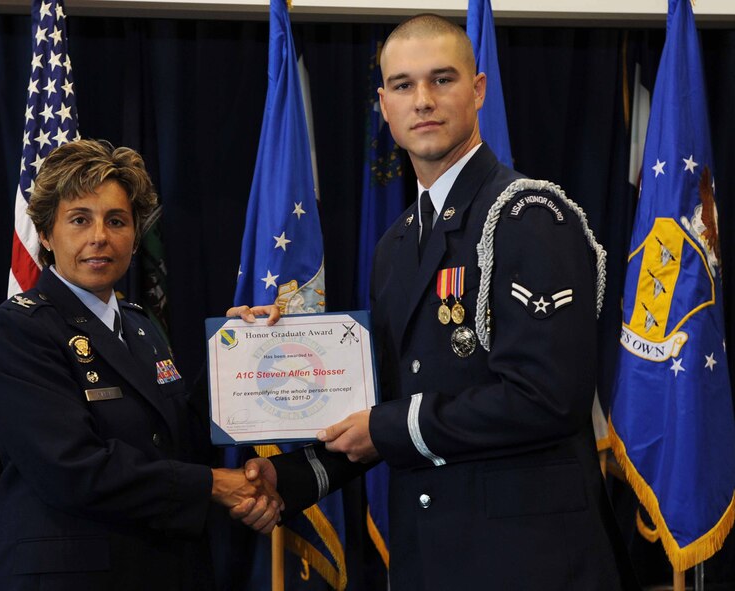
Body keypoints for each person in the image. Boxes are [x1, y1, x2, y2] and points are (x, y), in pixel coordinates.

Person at [241, 14, 640, 590]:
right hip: (430, 558)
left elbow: (548, 397)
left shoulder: (527, 216)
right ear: (384, 105)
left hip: (530, 564)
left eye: (442, 80)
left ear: (478, 90)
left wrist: (390, 424)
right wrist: (274, 359)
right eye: (403, 85)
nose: (422, 100)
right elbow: (380, 401)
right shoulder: (398, 244)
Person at [0, 139, 281, 591]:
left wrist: (241, 350)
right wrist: (214, 486)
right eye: (79, 220)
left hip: (162, 568)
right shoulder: (17, 330)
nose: (99, 236)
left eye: (116, 221)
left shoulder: (141, 325)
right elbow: (72, 468)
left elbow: (180, 437)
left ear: (135, 237)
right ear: (45, 234)